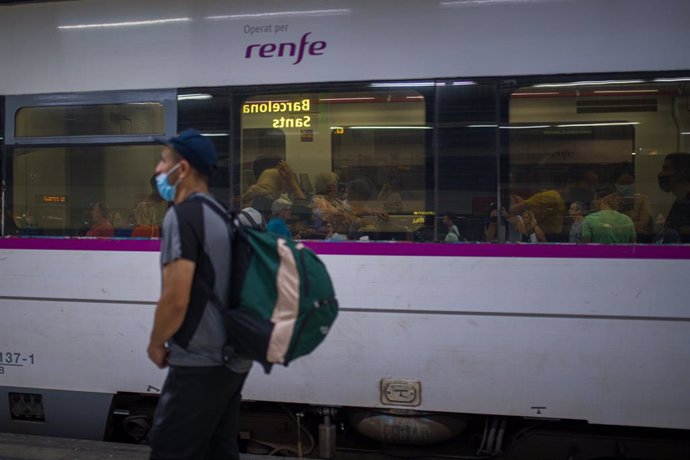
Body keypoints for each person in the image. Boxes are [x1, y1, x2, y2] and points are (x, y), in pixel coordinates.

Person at [147, 129, 252, 460]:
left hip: (200, 359)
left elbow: (176, 298)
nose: (157, 169)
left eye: (163, 161)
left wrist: (156, 342)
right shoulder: (222, 214)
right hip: (232, 357)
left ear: (183, 168)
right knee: (217, 451)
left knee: (170, 450)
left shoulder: (182, 216)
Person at [603, 170, 652, 240]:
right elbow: (609, 223)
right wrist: (619, 210)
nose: (626, 186)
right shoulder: (607, 200)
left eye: (629, 183)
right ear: (615, 184)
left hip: (638, 236)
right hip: (615, 237)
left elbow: (644, 222)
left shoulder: (642, 199)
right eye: (622, 183)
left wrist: (621, 228)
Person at [241, 156, 305, 209]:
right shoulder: (263, 198)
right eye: (283, 171)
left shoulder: (277, 196)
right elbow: (303, 210)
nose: (285, 176)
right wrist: (293, 184)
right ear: (267, 173)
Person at [657, 152, 690, 243]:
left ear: (681, 172)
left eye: (666, 169)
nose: (661, 174)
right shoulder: (679, 202)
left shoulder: (686, 202)